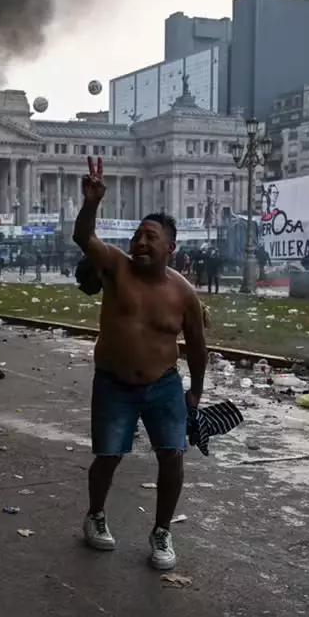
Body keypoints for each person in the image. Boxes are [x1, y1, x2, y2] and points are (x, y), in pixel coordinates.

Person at [72, 156, 207, 571]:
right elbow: (83, 236)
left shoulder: (184, 295)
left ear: (171, 247)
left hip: (163, 385)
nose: (142, 243)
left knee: (173, 456)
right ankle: (95, 514)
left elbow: (198, 346)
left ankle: (162, 530)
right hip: (114, 383)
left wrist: (195, 391)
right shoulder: (115, 268)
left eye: (151, 237)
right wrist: (92, 202)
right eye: (137, 236)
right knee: (109, 456)